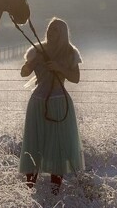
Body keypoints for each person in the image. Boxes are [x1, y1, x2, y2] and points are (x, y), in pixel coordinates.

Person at [19, 17, 83, 194]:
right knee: (34, 141)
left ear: (62, 33)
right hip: (38, 101)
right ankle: (30, 185)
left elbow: (75, 78)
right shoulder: (37, 50)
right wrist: (26, 66)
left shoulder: (70, 52)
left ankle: (55, 188)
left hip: (59, 102)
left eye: (55, 29)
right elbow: (24, 73)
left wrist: (59, 67)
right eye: (49, 28)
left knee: (57, 144)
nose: (50, 32)